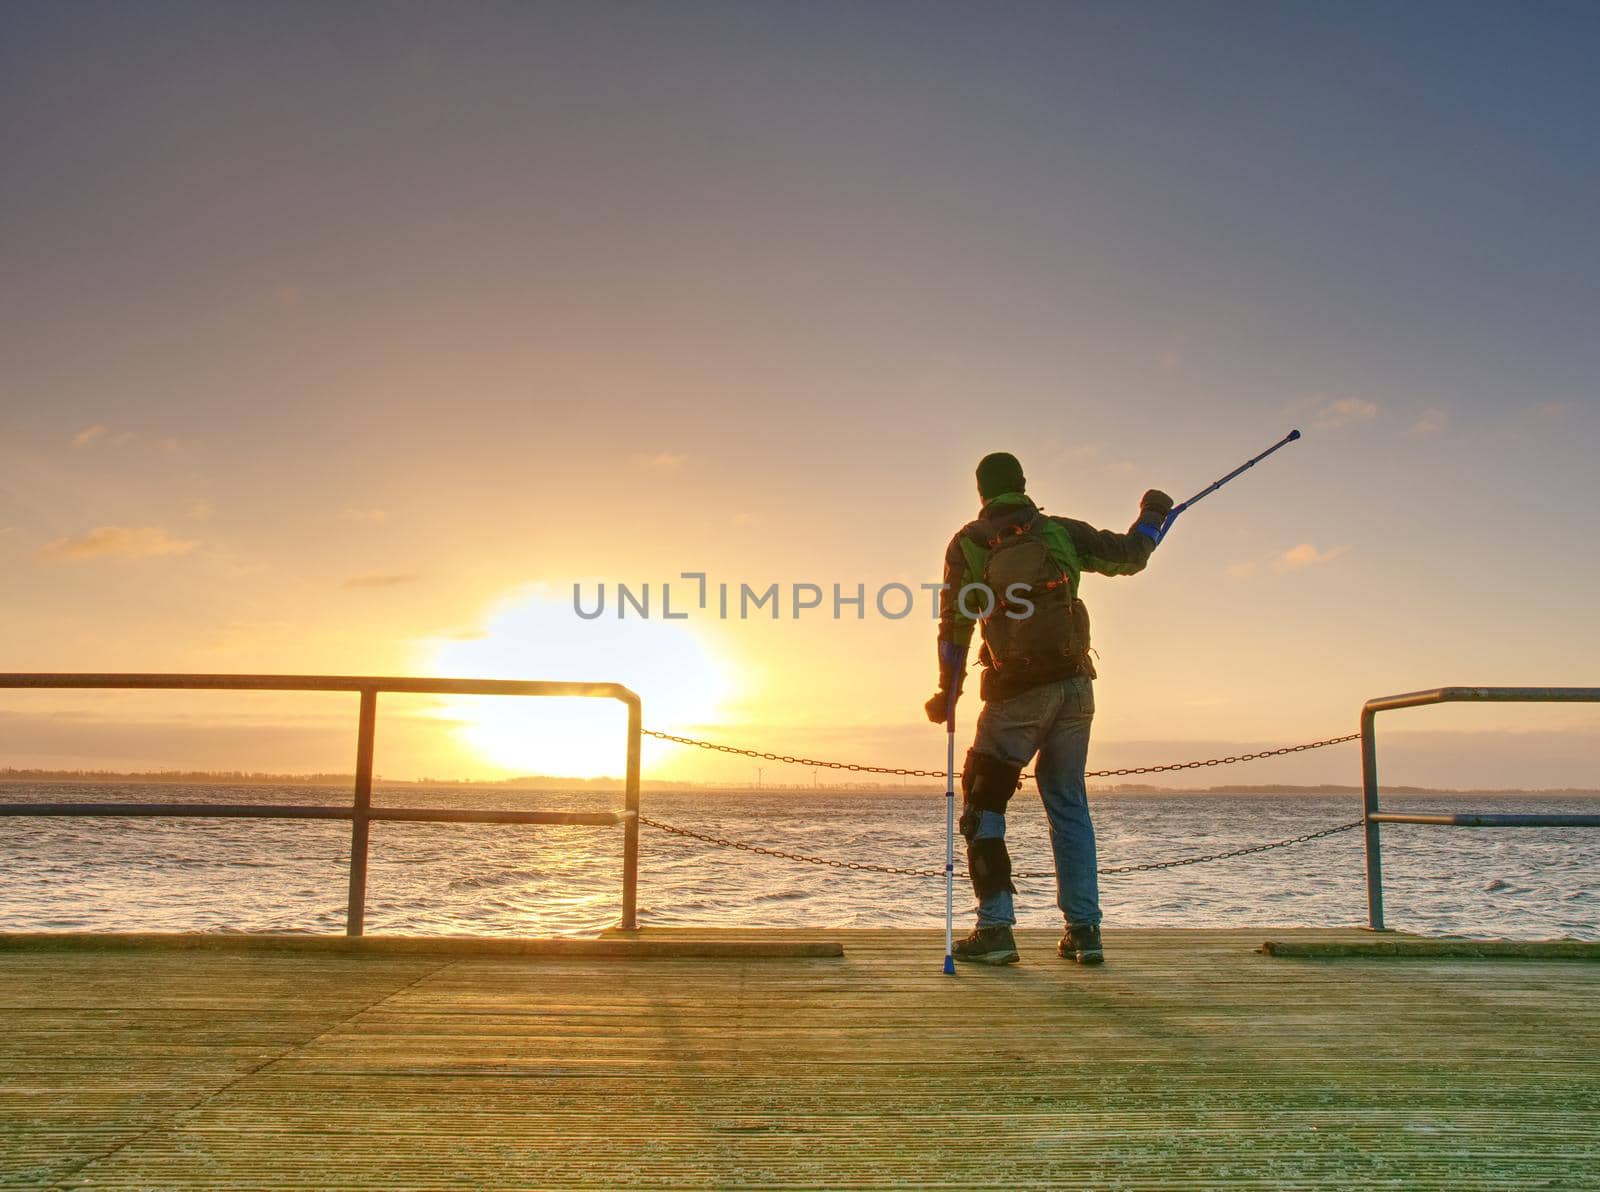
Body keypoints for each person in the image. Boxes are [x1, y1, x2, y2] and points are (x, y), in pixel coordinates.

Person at [925, 451, 1172, 966]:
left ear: (982, 494)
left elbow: (955, 623)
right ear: (1022, 485)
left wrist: (949, 691)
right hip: (1076, 689)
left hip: (1016, 693)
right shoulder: (1058, 531)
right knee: (1068, 803)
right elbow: (1130, 556)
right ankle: (1085, 932)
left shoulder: (970, 543)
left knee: (984, 803)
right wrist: (1154, 515)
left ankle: (996, 930)